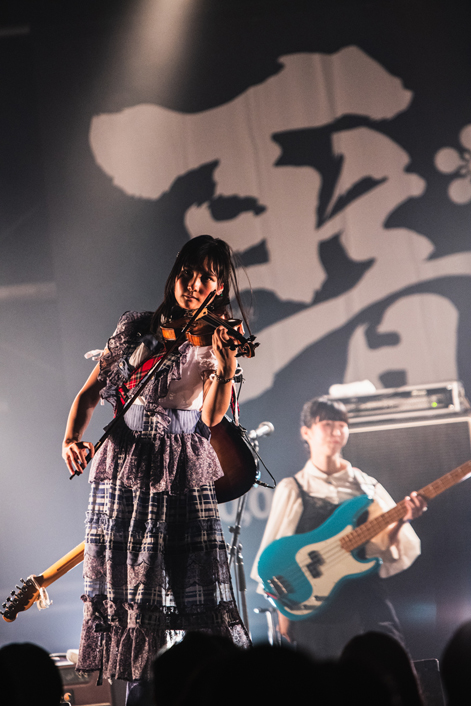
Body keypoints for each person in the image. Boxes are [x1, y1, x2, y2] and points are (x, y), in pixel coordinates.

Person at [62, 235, 252, 697]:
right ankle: (137, 694)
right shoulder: (137, 327)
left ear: (218, 287)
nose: (193, 284)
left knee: (194, 590)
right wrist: (71, 439)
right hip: (126, 465)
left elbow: (211, 419)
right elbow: (90, 393)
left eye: (206, 277)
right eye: (187, 273)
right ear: (175, 275)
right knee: (132, 593)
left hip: (180, 470)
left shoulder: (215, 342)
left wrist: (226, 363)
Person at [251, 396, 427, 659]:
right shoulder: (293, 488)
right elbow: (276, 556)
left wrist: (404, 519)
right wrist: (284, 616)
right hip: (316, 612)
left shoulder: (367, 486)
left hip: (365, 600)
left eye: (342, 425)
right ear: (306, 432)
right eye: (327, 424)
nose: (336, 431)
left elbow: (382, 546)